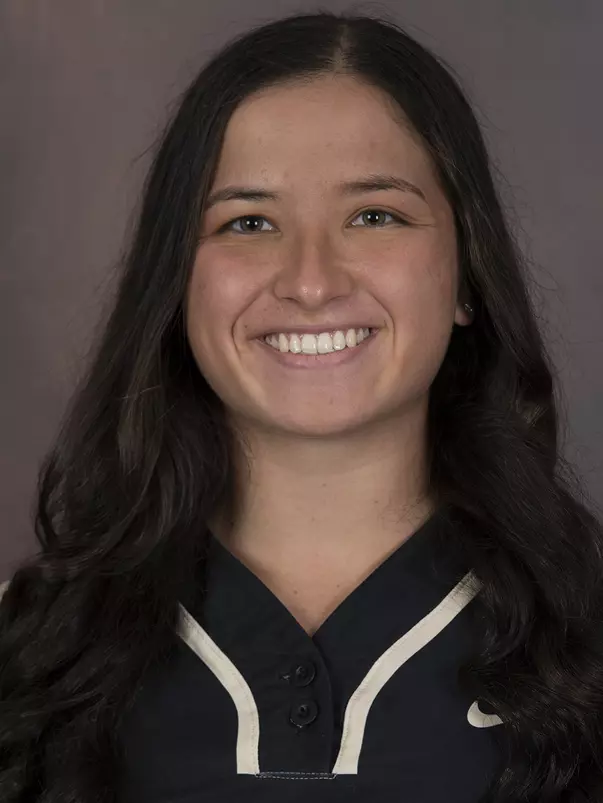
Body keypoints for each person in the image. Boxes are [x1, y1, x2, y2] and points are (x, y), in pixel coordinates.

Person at [1, 10, 602, 803]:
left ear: (465, 276)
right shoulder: (36, 642)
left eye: (374, 215)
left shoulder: (583, 627)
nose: (310, 281)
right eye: (248, 222)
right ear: (176, 282)